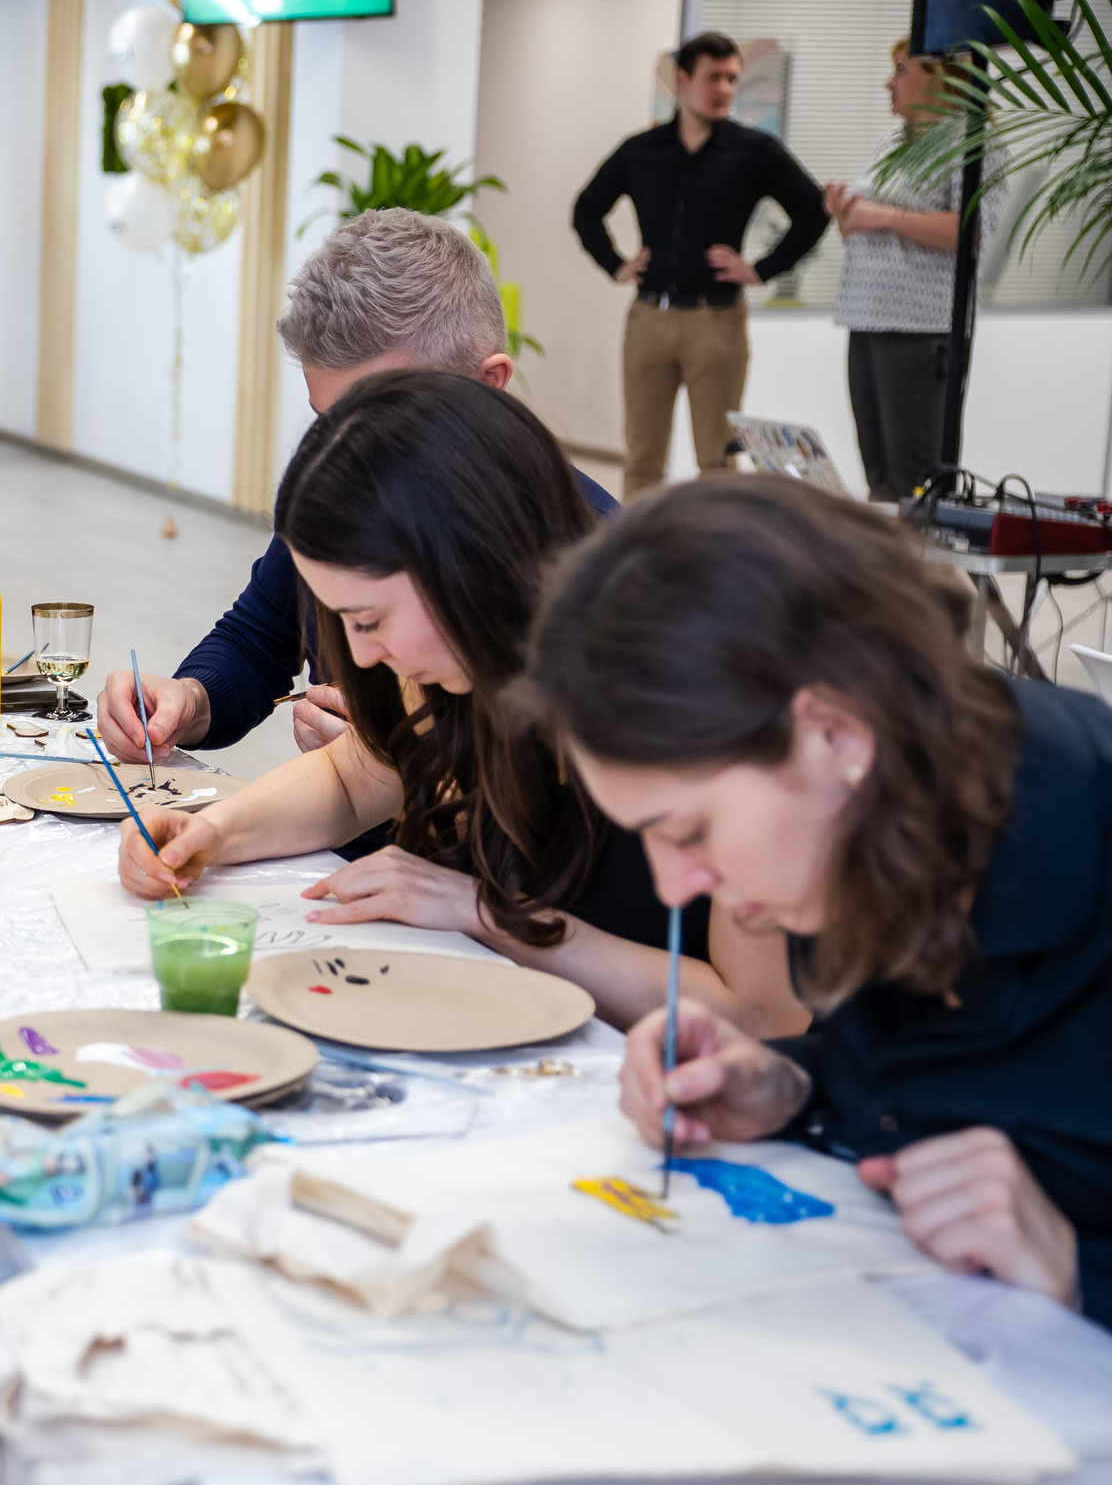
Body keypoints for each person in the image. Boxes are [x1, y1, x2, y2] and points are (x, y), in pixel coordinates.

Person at [511, 477, 1112, 1323]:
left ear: (837, 734)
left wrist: (1079, 1270)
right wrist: (794, 1087)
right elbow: (926, 1066)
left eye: (689, 829)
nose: (675, 887)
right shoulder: (855, 824)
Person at [114, 370, 806, 1038]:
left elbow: (762, 1017)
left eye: (369, 619)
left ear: (462, 563)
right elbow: (363, 773)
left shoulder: (694, 686)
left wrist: (490, 914)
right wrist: (215, 831)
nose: (360, 656)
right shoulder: (469, 656)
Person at [99, 208, 616, 770]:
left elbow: (579, 812)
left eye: (386, 418)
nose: (347, 454)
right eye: (328, 420)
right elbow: (263, 633)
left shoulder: (594, 569)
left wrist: (402, 768)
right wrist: (190, 700)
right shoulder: (336, 479)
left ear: (489, 385)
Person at [573, 32, 831, 498]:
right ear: (682, 80)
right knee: (642, 456)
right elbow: (586, 209)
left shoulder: (755, 150)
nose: (725, 89)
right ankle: (634, 560)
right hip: (649, 318)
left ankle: (710, 562)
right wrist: (617, 264)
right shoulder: (641, 149)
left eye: (733, 78)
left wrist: (761, 268)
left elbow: (813, 210)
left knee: (717, 459)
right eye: (714, 77)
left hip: (717, 323)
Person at [825, 43, 1000, 502]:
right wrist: (847, 215)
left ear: (938, 78)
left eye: (900, 71)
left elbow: (971, 231)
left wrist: (879, 216)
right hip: (868, 316)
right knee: (878, 473)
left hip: (921, 328)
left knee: (915, 480)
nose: (889, 82)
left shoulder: (973, 141)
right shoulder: (893, 141)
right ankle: (879, 569)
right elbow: (870, 224)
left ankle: (919, 571)